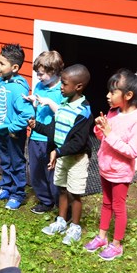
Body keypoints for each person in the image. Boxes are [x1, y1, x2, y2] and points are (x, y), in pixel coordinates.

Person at [84, 69, 137, 260]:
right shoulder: (113, 112)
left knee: (118, 207)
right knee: (106, 203)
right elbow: (103, 137)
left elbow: (132, 151)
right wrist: (100, 127)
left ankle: (117, 245)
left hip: (120, 172)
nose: (108, 95)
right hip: (105, 167)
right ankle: (102, 237)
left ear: (128, 95)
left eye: (113, 92)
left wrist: (109, 133)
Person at [29, 64, 93, 245]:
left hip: (77, 158)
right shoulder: (64, 105)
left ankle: (75, 228)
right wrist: (37, 126)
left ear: (78, 87)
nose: (61, 87)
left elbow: (78, 142)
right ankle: (61, 221)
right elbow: (55, 130)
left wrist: (57, 152)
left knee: (75, 193)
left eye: (64, 84)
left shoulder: (83, 111)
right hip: (61, 155)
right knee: (62, 189)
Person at [0, 43, 33, 210]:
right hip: (0, 132)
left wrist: (12, 128)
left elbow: (27, 114)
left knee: (17, 162)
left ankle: (18, 193)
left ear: (14, 67)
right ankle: (6, 188)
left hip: (13, 134)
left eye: (1, 64)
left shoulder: (18, 88)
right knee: (4, 161)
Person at [24, 51, 64, 214]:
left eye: (41, 74)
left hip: (51, 137)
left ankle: (59, 203)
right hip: (35, 135)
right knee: (36, 170)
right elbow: (37, 108)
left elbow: (64, 114)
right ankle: (45, 201)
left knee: (52, 172)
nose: (38, 78)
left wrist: (50, 103)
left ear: (53, 72)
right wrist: (33, 102)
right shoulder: (39, 86)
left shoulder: (62, 90)